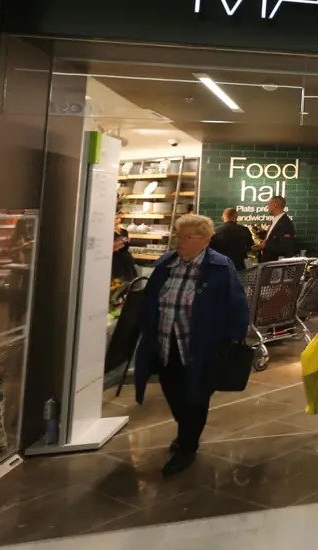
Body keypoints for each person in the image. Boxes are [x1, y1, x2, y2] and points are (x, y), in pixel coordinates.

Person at [134, 214, 249, 477]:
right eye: (179, 236)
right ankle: (186, 429)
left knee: (196, 396)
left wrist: (234, 337)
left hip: (201, 346)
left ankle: (187, 445)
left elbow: (237, 304)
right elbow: (150, 298)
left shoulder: (220, 266)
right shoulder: (167, 263)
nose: (181, 242)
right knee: (172, 389)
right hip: (166, 343)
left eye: (188, 237)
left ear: (206, 240)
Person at [252, 196, 296, 262]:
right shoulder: (276, 220)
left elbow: (285, 246)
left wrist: (264, 246)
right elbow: (274, 238)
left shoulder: (285, 223)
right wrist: (261, 233)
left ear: (274, 205)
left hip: (274, 264)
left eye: (268, 204)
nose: (267, 207)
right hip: (267, 262)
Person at [111, 210, 137, 283]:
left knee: (128, 281)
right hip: (115, 260)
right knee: (117, 281)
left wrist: (125, 242)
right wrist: (118, 244)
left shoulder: (124, 231)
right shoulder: (109, 231)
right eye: (116, 218)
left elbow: (126, 246)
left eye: (120, 218)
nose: (119, 220)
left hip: (125, 259)